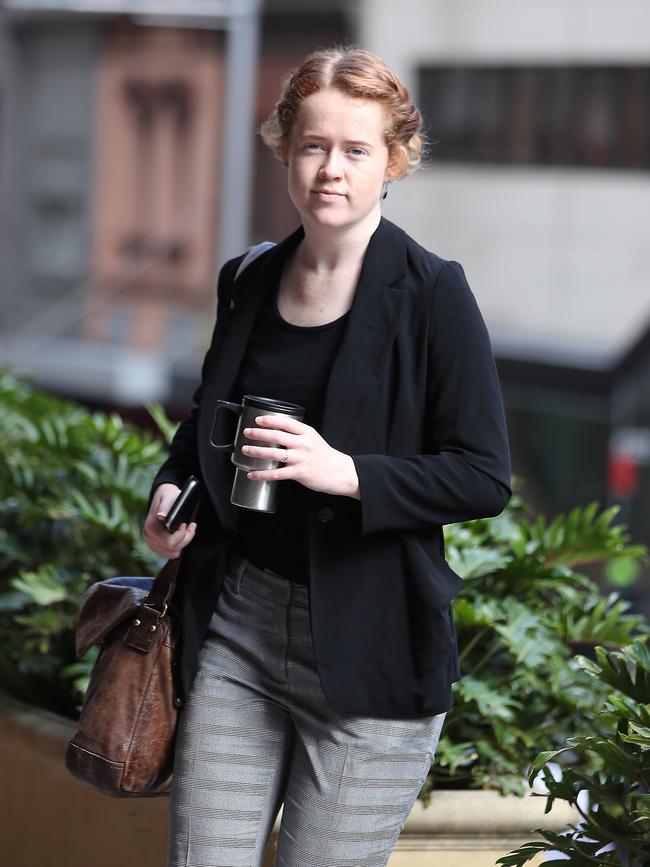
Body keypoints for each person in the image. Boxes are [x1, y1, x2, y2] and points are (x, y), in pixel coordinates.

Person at [143, 45, 512, 867]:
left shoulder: (433, 293)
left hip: (373, 656)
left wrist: (342, 470)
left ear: (394, 161)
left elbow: (484, 473)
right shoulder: (248, 278)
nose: (331, 170)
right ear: (285, 149)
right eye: (313, 146)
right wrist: (171, 493)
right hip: (239, 628)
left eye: (356, 150)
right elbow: (204, 424)